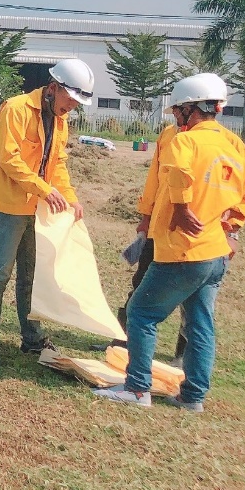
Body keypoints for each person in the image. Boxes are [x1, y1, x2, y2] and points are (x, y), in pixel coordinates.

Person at [94, 74, 245, 411]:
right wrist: (232, 223)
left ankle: (137, 389)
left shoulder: (184, 142)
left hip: (183, 250)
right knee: (200, 323)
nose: (175, 117)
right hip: (216, 252)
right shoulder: (231, 144)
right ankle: (193, 397)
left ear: (191, 109)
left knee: (142, 313)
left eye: (177, 111)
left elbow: (177, 174)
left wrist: (183, 208)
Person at [0, 59, 93, 367]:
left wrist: (69, 196)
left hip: (36, 208)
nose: (72, 108)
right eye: (70, 100)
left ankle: (32, 337)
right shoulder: (16, 109)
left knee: (31, 276)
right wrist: (44, 189)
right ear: (53, 88)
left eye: (77, 104)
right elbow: (8, 158)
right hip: (7, 205)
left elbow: (59, 164)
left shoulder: (61, 119)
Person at [108, 122, 187, 363]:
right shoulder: (168, 134)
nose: (174, 114)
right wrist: (146, 217)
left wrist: (231, 228)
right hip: (157, 228)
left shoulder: (220, 142)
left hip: (190, 235)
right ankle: (123, 340)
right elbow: (154, 179)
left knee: (192, 298)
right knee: (141, 283)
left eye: (178, 109)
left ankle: (184, 355)